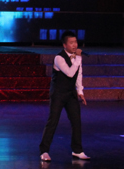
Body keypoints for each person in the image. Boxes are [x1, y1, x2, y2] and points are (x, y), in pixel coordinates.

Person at [39, 30, 90, 161]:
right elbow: (69, 73)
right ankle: (44, 151)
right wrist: (78, 58)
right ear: (65, 45)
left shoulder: (76, 58)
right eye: (71, 43)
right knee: (53, 121)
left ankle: (77, 150)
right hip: (58, 93)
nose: (74, 45)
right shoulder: (59, 58)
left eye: (75, 42)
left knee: (76, 121)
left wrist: (80, 91)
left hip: (70, 93)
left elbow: (78, 74)